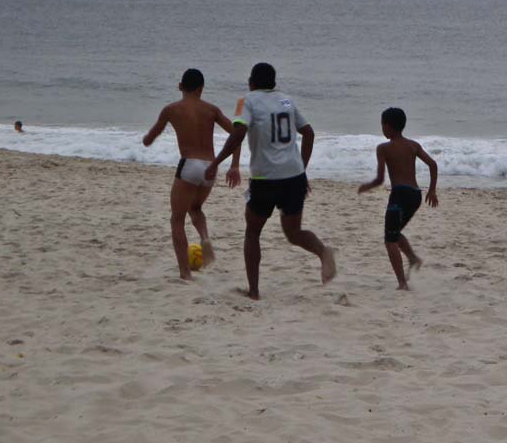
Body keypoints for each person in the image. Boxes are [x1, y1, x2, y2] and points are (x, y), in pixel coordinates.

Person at [206, 62, 335, 300]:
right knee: (293, 232)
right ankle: (323, 252)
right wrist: (302, 170)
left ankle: (254, 291)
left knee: (253, 231)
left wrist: (216, 162)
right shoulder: (286, 100)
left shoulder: (247, 101)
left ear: (251, 82)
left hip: (265, 178)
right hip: (293, 176)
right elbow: (309, 133)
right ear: (274, 82)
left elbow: (238, 134)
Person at [142, 68, 241, 280]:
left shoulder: (171, 109)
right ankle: (204, 237)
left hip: (188, 166)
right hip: (209, 167)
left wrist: (146, 139)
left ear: (180, 86)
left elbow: (150, 138)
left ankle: (185, 274)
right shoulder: (211, 109)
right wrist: (234, 165)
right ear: (201, 89)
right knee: (195, 208)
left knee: (176, 220)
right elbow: (236, 134)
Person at [357, 107, 438, 290]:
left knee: (389, 239)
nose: (382, 129)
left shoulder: (383, 148)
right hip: (415, 195)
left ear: (388, 126)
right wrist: (431, 191)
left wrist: (366, 187)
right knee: (395, 232)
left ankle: (402, 283)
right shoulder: (413, 145)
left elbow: (379, 179)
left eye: (382, 125)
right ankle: (413, 258)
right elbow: (433, 165)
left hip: (399, 194)